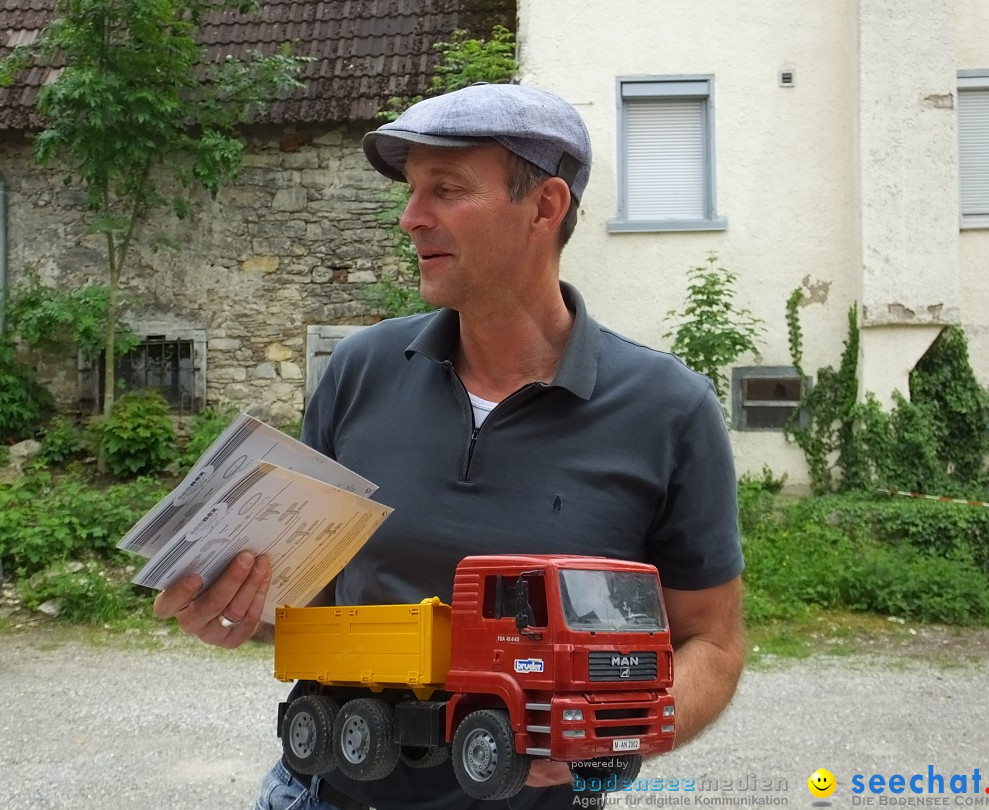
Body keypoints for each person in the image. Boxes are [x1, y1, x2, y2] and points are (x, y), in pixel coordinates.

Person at [154, 82, 745, 810]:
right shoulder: (360, 370)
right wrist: (241, 608)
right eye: (410, 190)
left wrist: (626, 733)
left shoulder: (668, 408)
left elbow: (711, 645)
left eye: (446, 189)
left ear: (545, 207)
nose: (410, 218)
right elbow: (316, 597)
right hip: (325, 793)